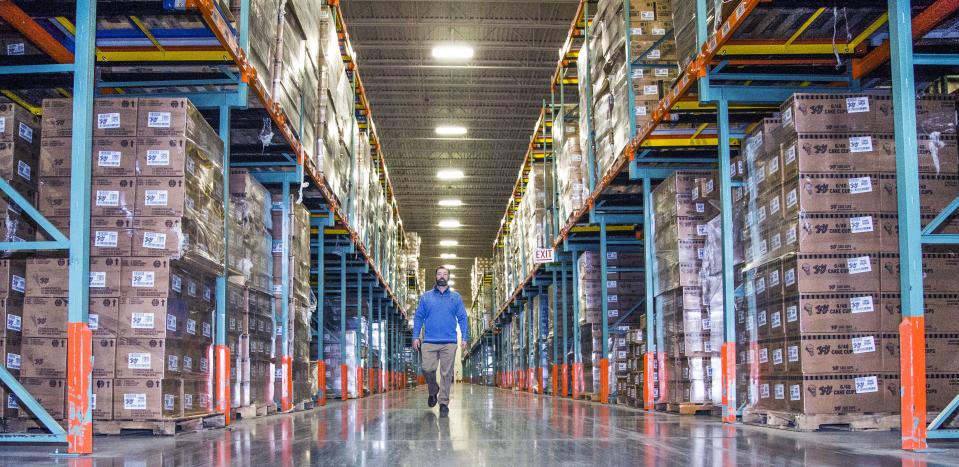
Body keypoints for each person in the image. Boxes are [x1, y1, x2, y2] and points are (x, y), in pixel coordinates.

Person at [412, 266, 469, 416]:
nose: (442, 276)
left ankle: (443, 402)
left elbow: (463, 318)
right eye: (439, 274)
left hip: (449, 341)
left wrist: (464, 337)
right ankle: (433, 390)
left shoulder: (455, 297)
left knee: (446, 373)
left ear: (448, 277)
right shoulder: (426, 297)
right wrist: (415, 336)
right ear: (436, 277)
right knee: (427, 368)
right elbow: (418, 317)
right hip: (429, 340)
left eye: (445, 274)